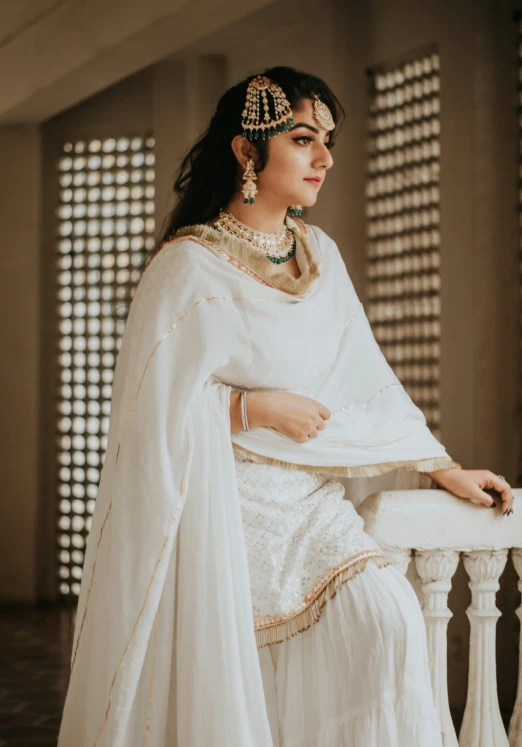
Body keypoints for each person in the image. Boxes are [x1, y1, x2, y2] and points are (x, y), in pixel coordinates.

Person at [57, 66, 514, 747]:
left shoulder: (319, 254)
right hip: (220, 512)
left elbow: (368, 382)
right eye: (304, 139)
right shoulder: (185, 267)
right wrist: (249, 408)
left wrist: (440, 467)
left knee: (386, 616)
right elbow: (145, 421)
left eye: (328, 140)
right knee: (235, 685)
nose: (325, 158)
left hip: (312, 505)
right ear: (247, 151)